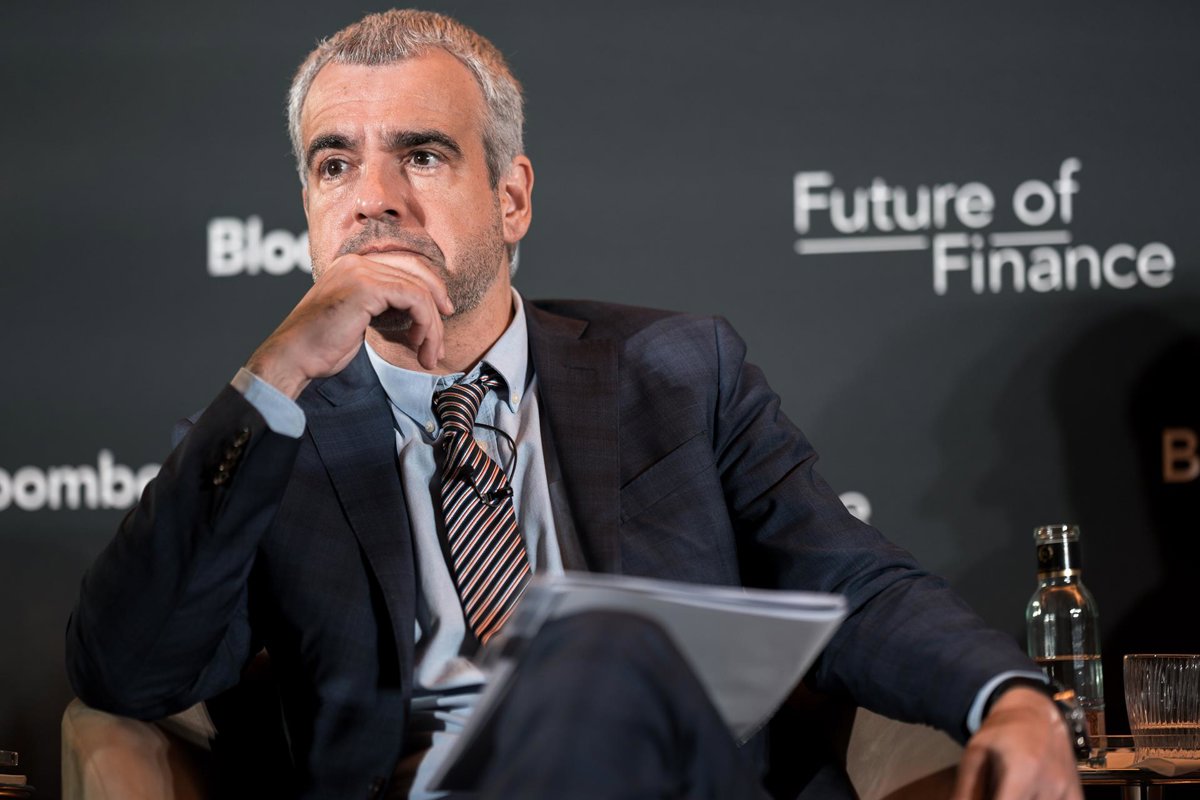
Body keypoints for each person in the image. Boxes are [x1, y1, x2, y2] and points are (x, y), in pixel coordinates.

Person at [66, 9, 1083, 800]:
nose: (372, 198)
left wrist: (1009, 695)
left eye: (421, 155)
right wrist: (280, 367)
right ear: (307, 209)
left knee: (594, 651)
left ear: (511, 198)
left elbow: (849, 576)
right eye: (335, 164)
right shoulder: (264, 439)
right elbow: (127, 673)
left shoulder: (680, 371)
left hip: (665, 779)